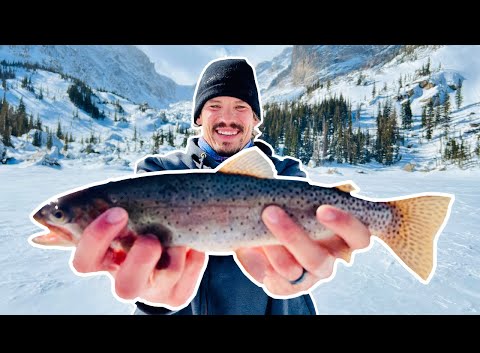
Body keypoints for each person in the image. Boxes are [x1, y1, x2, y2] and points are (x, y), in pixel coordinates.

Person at [71, 57, 372, 315]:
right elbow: (143, 268)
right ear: (198, 117)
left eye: (240, 107)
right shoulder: (157, 174)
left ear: (256, 119)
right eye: (214, 105)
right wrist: (155, 303)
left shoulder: (284, 175)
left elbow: (304, 259)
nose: (227, 118)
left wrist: (299, 275)